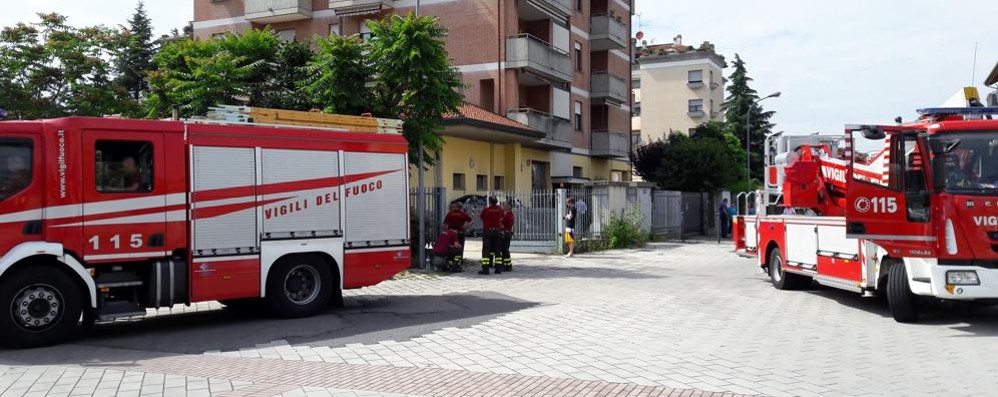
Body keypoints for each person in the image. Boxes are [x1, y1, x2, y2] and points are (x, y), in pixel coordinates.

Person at [479, 196, 505, 275]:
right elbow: (502, 218)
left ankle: (485, 269)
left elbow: (482, 217)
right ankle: (498, 269)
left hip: (487, 231)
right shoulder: (500, 210)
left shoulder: (486, 210)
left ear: (490, 202)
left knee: (486, 250)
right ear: (496, 201)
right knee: (497, 250)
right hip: (497, 231)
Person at [499, 202, 515, 272]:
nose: (504, 208)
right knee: (505, 250)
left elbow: (500, 223)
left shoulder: (507, 216)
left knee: (504, 250)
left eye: (505, 206)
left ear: (507, 208)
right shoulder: (511, 215)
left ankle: (507, 265)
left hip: (505, 234)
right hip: (508, 234)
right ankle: (507, 265)